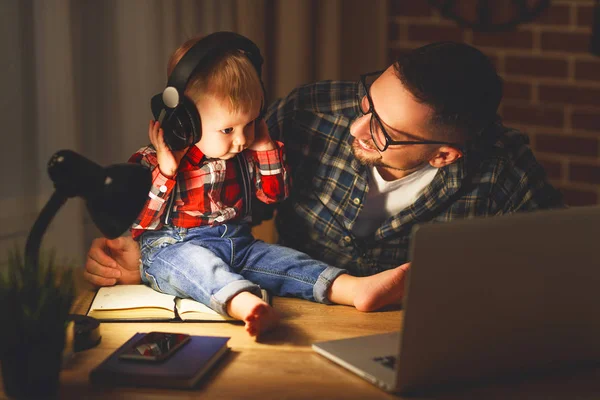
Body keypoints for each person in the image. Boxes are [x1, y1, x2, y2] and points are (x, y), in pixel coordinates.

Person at [85, 41, 562, 306]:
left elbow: (559, 277)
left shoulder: (505, 175)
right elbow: (224, 175)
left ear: (443, 156)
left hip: (419, 343)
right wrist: (140, 250)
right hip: (290, 319)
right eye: (367, 101)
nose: (354, 126)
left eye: (381, 130)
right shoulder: (312, 110)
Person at [121, 33, 410, 337]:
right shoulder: (152, 162)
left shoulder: (243, 151)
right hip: (174, 247)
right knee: (200, 268)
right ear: (184, 120)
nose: (242, 138)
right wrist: (166, 172)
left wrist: (265, 149)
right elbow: (140, 226)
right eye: (228, 129)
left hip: (238, 242)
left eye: (251, 123)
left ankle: (354, 288)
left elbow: (274, 196)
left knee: (286, 261)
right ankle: (245, 304)